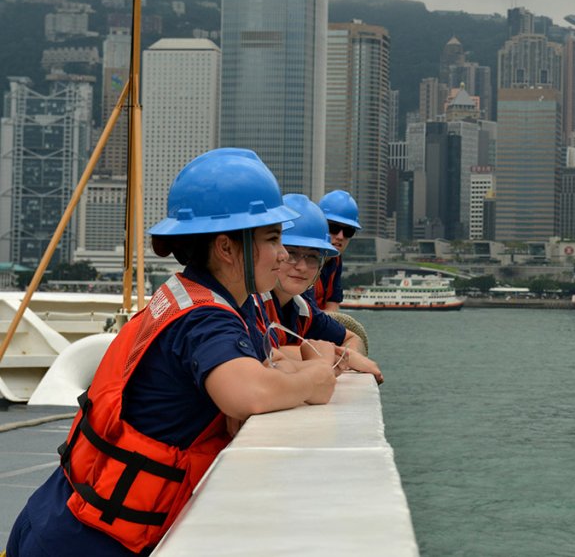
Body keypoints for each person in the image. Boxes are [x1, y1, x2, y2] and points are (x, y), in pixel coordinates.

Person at [5, 149, 337, 557]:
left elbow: (260, 366)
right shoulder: (204, 320)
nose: (285, 254)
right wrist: (317, 377)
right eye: (272, 239)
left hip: (63, 516)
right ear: (227, 248)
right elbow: (248, 393)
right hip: (84, 541)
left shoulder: (215, 299)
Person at [260, 194, 381, 382]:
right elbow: (262, 353)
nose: (302, 266)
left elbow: (352, 338)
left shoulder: (303, 310)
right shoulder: (252, 303)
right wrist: (330, 355)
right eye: (292, 253)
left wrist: (343, 357)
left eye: (312, 257)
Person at [312, 190, 360, 313]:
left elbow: (333, 304)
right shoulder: (303, 260)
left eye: (348, 232)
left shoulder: (336, 259)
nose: (340, 236)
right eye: (334, 228)